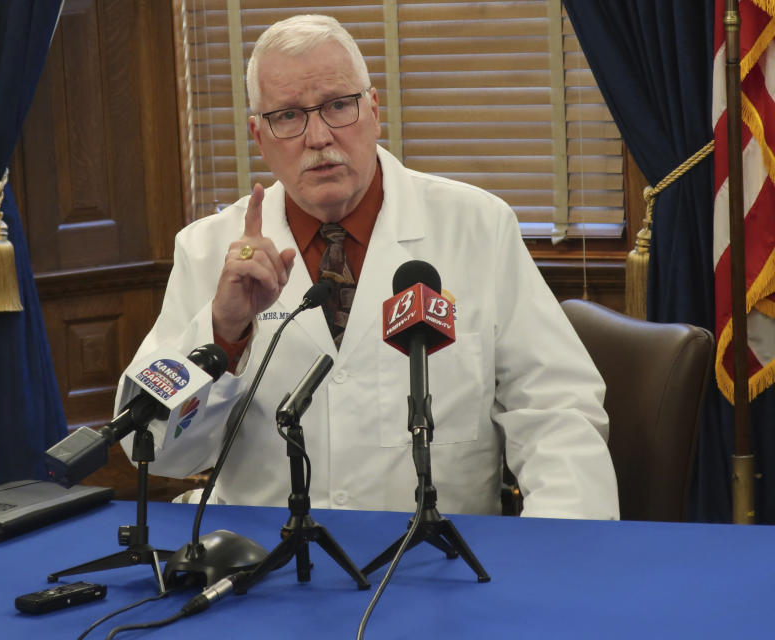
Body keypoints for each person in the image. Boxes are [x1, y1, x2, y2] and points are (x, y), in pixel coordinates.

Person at [116, 14, 619, 519]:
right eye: (288, 116)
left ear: (374, 109)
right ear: (258, 135)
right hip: (271, 568)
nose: (317, 136)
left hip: (440, 562)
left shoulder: (477, 227)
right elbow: (157, 450)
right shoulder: (208, 250)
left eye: (338, 105)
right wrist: (223, 333)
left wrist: (560, 555)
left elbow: (556, 411)